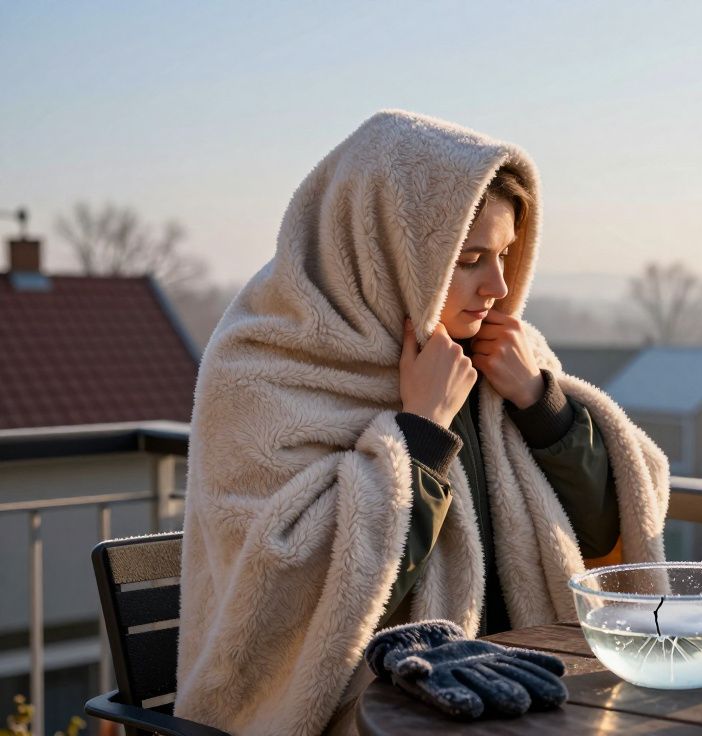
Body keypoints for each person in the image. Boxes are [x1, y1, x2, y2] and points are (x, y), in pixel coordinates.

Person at [174, 110, 670, 736]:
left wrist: (542, 406)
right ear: (386, 250)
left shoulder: (505, 359)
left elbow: (607, 534)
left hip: (529, 692)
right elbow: (290, 598)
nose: (498, 286)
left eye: (506, 255)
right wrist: (422, 435)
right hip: (375, 712)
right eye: (470, 259)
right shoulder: (264, 369)